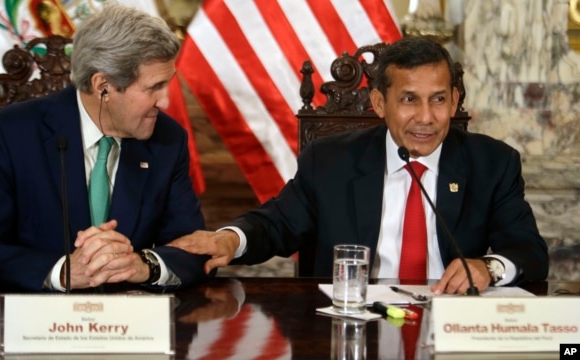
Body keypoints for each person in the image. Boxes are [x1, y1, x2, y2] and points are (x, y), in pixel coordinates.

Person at [169, 36, 549, 295]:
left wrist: (489, 268)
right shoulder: (331, 160)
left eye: (437, 100)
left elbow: (529, 253)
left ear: (454, 101)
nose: (426, 118)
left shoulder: (493, 163)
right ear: (380, 104)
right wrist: (230, 239)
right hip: (352, 323)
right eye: (409, 100)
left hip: (448, 326)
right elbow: (277, 224)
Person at [0, 3, 212, 292]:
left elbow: (197, 248)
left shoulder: (168, 140)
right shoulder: (12, 134)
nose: (165, 101)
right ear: (102, 86)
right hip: (37, 323)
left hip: (132, 324)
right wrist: (60, 271)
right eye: (153, 87)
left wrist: (144, 265)